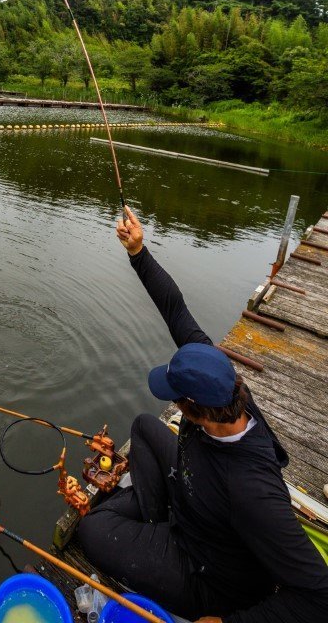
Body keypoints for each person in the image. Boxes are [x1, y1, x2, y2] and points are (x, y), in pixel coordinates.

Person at [77, 206, 328, 623]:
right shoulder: (218, 376)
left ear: (191, 410)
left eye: (175, 397)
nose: (172, 401)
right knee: (143, 426)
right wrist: (138, 252)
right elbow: (175, 308)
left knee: (91, 530)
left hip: (209, 574)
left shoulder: (253, 490)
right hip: (198, 503)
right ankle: (156, 522)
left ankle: (156, 536)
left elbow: (319, 596)